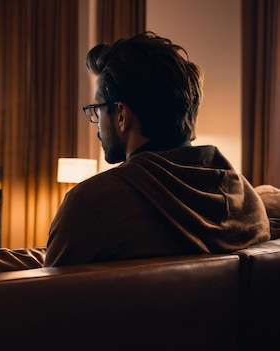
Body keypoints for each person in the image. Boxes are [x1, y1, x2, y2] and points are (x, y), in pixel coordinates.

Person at [45, 32, 270, 266]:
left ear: (121, 115)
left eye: (98, 109)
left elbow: (48, 298)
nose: (97, 125)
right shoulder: (248, 205)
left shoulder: (89, 206)